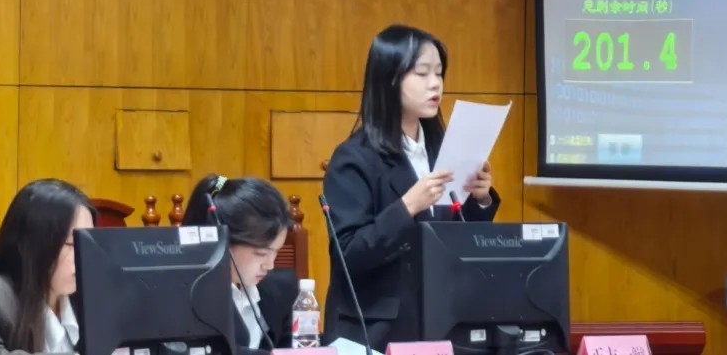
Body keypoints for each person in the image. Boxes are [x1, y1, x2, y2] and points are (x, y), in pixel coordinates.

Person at [321, 24, 501, 352]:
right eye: (422, 73)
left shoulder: (443, 149)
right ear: (389, 79)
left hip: (441, 319)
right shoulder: (353, 158)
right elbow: (348, 255)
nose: (435, 83)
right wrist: (407, 208)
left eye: (439, 73)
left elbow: (459, 243)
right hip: (375, 332)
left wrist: (480, 199)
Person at [0, 179, 95, 355]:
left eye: (88, 243)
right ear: (34, 245)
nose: (84, 255)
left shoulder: (91, 296)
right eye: (72, 244)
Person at [181, 174, 300, 355]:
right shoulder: (189, 300)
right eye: (261, 253)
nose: (270, 265)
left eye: (277, 251)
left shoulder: (283, 289)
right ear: (223, 242)